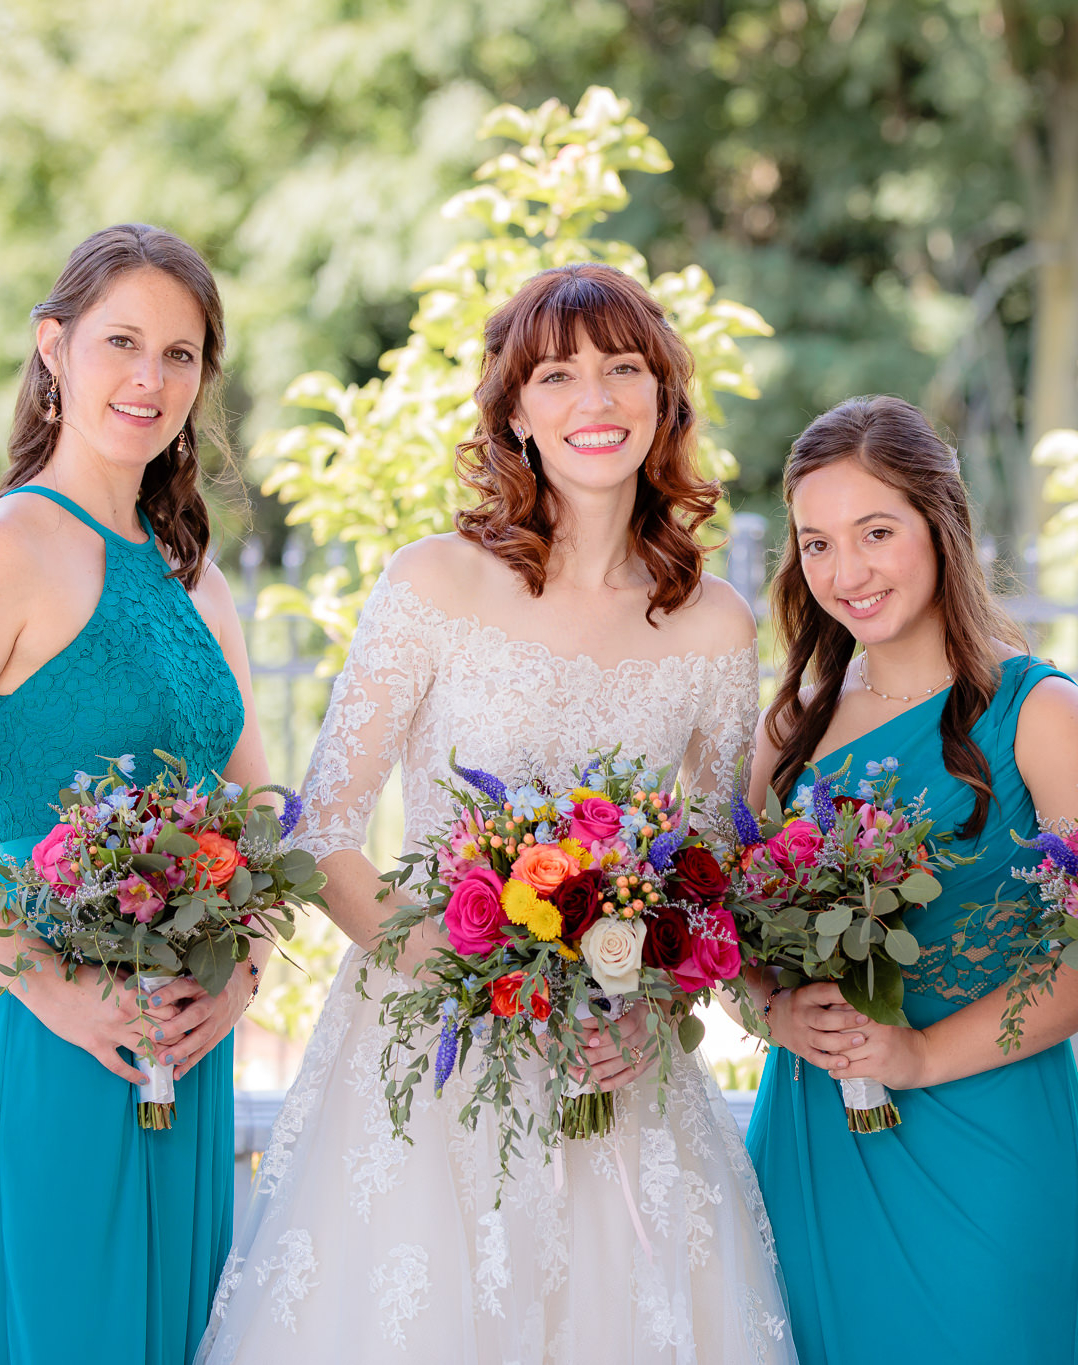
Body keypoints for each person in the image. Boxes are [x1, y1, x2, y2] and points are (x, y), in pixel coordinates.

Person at [197, 262, 794, 1363]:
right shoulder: (435, 583)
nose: (595, 402)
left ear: (663, 396)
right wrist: (476, 980)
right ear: (514, 412)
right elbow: (322, 828)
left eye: (624, 370)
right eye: (557, 375)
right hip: (436, 1053)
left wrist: (651, 1008)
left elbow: (711, 885)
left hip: (620, 1074)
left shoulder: (712, 622)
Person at [0, 224, 271, 1364]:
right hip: (35, 1038)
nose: (149, 378)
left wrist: (245, 979)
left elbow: (259, 821)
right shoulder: (0, 550)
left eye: (181, 355)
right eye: (121, 341)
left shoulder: (197, 578)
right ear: (53, 347)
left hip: (183, 1053)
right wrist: (60, 988)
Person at [741, 396, 1078, 1365]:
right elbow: (726, 937)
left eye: (875, 532)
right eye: (816, 544)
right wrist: (774, 1017)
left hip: (990, 1142)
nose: (846, 571)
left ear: (939, 525)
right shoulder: (789, 735)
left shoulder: (1041, 713)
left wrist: (916, 1058)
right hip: (813, 1138)